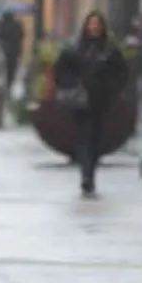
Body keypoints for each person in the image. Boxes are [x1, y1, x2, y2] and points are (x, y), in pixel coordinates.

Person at [53, 11, 129, 195]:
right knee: (84, 137)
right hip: (80, 101)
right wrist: (71, 84)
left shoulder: (110, 50)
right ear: (86, 26)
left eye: (97, 24)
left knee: (95, 139)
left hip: (100, 100)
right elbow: (60, 71)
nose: (94, 27)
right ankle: (86, 177)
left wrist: (113, 89)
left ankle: (90, 173)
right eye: (91, 24)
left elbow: (122, 73)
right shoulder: (74, 48)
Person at [0, 12, 24, 91]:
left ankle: (7, 85)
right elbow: (22, 35)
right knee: (12, 69)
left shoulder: (3, 25)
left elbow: (0, 35)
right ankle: (10, 84)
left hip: (5, 50)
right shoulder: (17, 25)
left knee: (5, 68)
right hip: (15, 50)